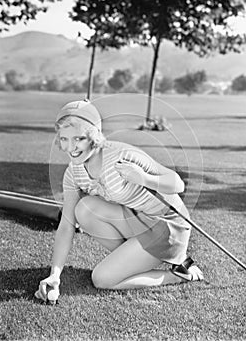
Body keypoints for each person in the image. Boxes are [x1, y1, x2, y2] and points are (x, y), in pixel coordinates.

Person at [35, 99, 204, 302]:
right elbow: (66, 226)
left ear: (93, 136)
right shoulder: (74, 173)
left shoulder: (121, 156)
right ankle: (133, 260)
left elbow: (177, 184)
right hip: (137, 219)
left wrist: (143, 178)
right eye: (64, 139)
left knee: (102, 279)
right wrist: (55, 275)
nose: (71, 147)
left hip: (167, 224)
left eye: (78, 138)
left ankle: (178, 274)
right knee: (84, 209)